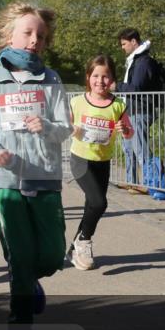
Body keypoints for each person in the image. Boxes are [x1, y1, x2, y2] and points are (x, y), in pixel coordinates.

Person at [0, 1, 70, 326]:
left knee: (53, 255)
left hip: (44, 175)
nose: (34, 40)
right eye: (27, 33)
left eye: (41, 36)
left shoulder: (50, 78)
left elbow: (65, 127)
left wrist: (48, 127)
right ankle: (21, 314)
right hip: (8, 180)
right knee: (19, 251)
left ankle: (28, 278)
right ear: (8, 36)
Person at [68, 55, 134, 271]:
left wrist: (124, 129)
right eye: (95, 76)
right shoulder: (77, 102)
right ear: (88, 77)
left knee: (91, 205)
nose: (100, 81)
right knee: (99, 203)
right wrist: (71, 128)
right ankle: (84, 240)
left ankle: (74, 249)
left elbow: (129, 132)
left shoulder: (118, 105)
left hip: (102, 162)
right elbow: (63, 126)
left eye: (105, 77)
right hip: (80, 159)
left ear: (112, 79)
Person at [116, 28, 165, 188]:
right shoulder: (135, 60)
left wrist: (116, 86)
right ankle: (131, 182)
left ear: (133, 42)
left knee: (140, 150)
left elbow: (136, 88)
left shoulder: (143, 62)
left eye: (124, 44)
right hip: (131, 111)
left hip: (140, 110)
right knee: (129, 148)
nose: (122, 47)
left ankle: (151, 183)